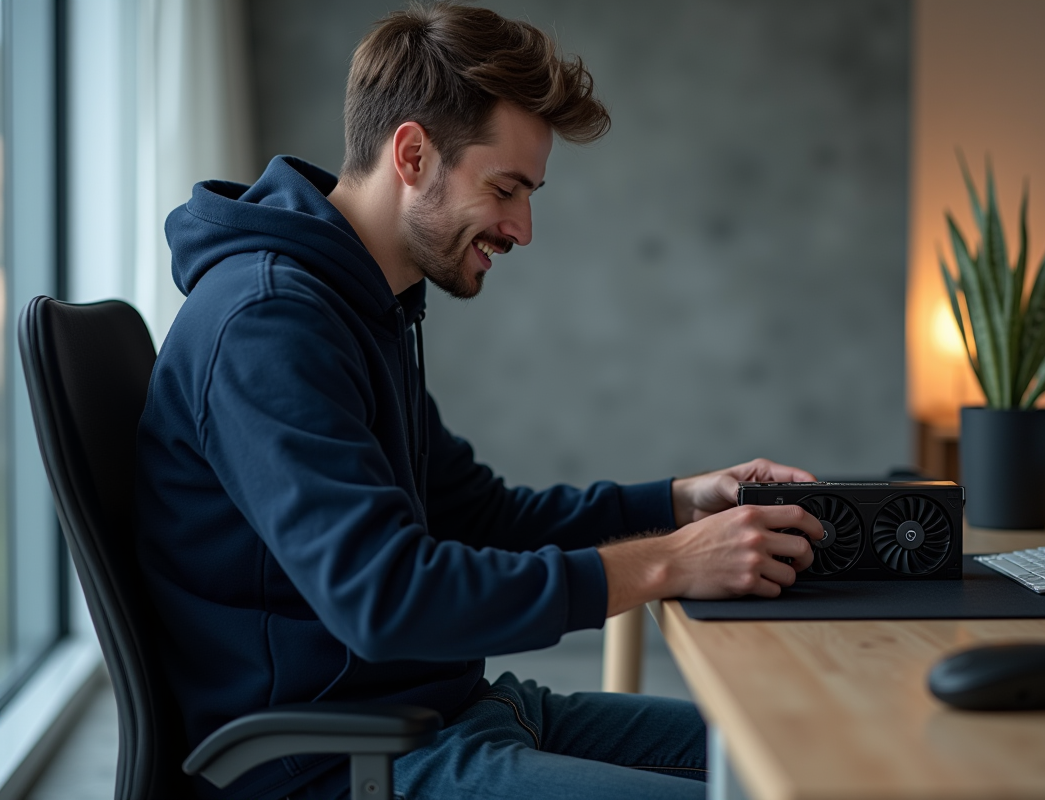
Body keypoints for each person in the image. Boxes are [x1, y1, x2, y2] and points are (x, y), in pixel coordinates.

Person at [135, 4, 822, 799]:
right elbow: (386, 599)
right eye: (505, 188)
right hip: (341, 761)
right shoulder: (268, 325)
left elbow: (478, 514)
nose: (522, 228)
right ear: (413, 154)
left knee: (806, 752)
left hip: (445, 716)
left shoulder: (359, 306)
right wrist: (671, 563)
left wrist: (677, 505)